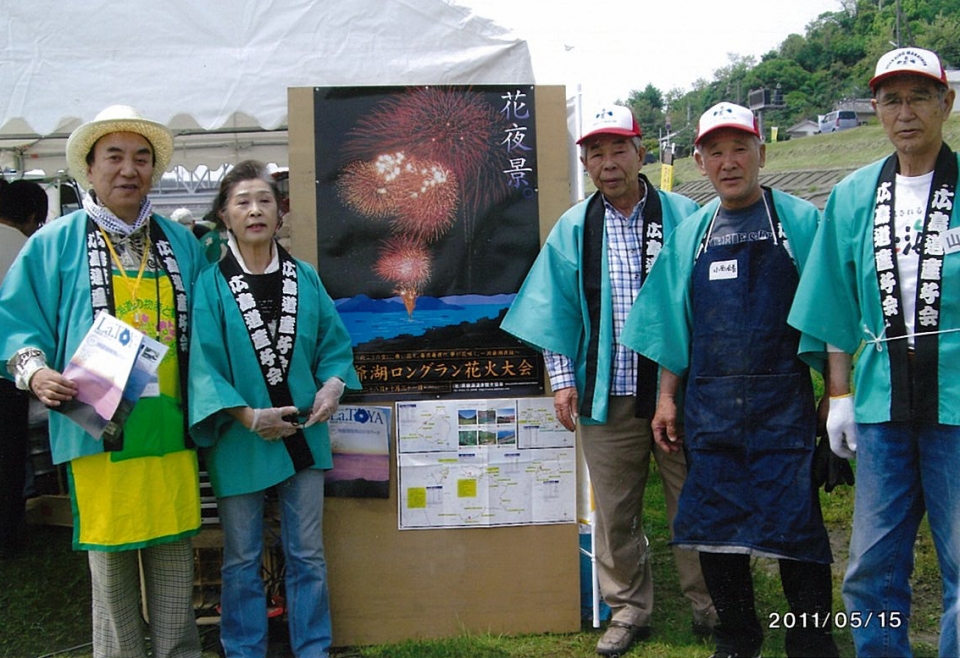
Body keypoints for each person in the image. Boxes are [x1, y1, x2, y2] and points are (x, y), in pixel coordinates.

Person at [621, 102, 839, 658]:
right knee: (717, 535)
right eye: (715, 151)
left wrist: (836, 393)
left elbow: (832, 311)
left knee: (798, 537)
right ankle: (737, 638)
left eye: (740, 147)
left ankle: (810, 642)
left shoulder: (800, 223)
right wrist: (667, 398)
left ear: (761, 153)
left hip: (783, 408)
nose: (729, 161)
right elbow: (675, 324)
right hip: (710, 409)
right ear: (699, 161)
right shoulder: (692, 234)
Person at [501, 105, 716, 656]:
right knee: (616, 510)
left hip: (679, 392)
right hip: (607, 391)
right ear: (585, 162)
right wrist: (560, 378)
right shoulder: (575, 226)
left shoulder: (685, 215)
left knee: (693, 498)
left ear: (641, 153)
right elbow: (553, 309)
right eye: (596, 152)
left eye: (619, 149)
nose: (608, 162)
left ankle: (709, 601)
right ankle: (628, 607)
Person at [0, 105, 204, 657]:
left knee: (172, 565)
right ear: (89, 169)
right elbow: (17, 323)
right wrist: (36, 371)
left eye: (141, 158)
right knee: (111, 574)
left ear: (153, 172)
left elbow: (211, 327)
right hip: (96, 431)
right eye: (113, 157)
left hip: (170, 430)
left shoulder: (181, 245)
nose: (128, 170)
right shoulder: (54, 243)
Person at [789, 47, 960, 658]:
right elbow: (835, 302)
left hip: (957, 405)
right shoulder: (854, 195)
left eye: (919, 96)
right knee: (871, 565)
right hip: (882, 406)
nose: (906, 112)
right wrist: (838, 395)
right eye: (892, 99)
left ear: (947, 102)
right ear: (877, 111)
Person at [188, 160, 360, 658]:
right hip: (241, 437)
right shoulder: (211, 284)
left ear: (280, 213)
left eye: (265, 200)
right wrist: (247, 416)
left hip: (305, 432)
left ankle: (313, 648)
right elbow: (204, 364)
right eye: (242, 201)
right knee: (241, 555)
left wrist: (331, 386)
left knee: (307, 552)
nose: (255, 210)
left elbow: (334, 344)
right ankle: (244, 649)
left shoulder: (303, 277)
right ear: (224, 214)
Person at [0, 179, 48, 559]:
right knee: (9, 455)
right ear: (33, 217)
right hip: (10, 372)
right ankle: (10, 532)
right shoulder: (29, 249)